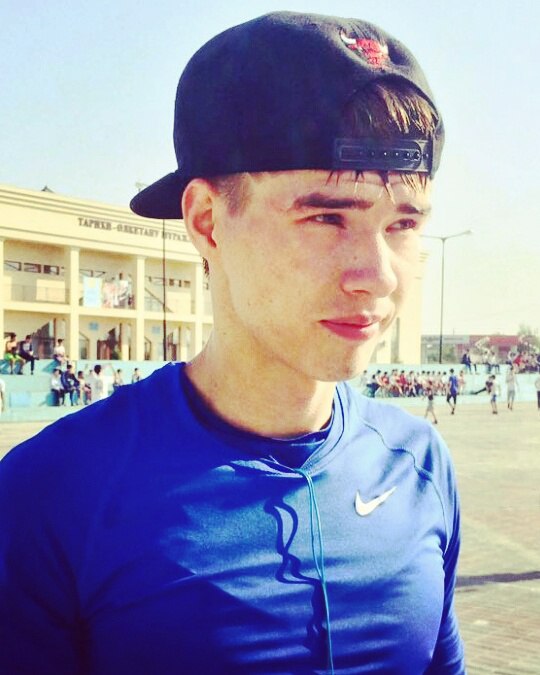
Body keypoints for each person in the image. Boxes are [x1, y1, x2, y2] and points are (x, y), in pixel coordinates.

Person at [0, 12, 464, 674]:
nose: (379, 275)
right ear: (208, 221)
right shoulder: (52, 492)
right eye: (326, 216)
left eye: (404, 224)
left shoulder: (419, 465)